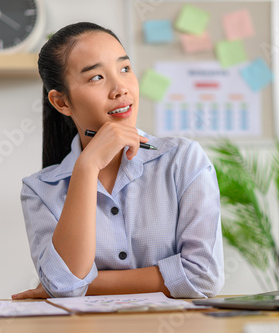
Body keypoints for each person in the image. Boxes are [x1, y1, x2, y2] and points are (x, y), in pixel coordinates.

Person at [12, 22, 224, 299]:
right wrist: (86, 168)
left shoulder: (183, 161)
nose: (120, 88)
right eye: (96, 77)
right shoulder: (40, 189)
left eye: (124, 69)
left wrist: (87, 285)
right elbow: (64, 285)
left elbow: (203, 276)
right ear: (61, 102)